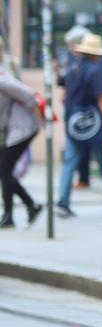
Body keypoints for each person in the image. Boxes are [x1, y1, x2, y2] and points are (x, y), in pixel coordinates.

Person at [55, 32, 102, 218]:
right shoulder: (95, 71)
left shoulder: (72, 69)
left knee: (70, 163)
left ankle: (63, 202)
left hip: (73, 123)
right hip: (94, 124)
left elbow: (65, 92)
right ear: (95, 54)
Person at [0, 57, 43, 228]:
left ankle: (9, 215)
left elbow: (31, 95)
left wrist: (40, 122)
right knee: (3, 170)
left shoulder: (2, 79)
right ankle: (31, 205)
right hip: (14, 129)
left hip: (22, 129)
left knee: (4, 171)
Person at [60, 24, 93, 189]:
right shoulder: (74, 61)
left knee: (78, 149)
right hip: (74, 109)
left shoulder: (84, 63)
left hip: (81, 112)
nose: (69, 47)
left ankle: (83, 178)